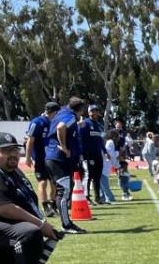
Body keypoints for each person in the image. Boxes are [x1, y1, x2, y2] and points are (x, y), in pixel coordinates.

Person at [0, 132, 60, 264]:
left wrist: (43, 223)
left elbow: (27, 200)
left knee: (33, 234)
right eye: (5, 151)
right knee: (28, 234)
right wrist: (40, 224)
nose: (12, 154)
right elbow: (5, 209)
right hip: (4, 224)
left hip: (6, 228)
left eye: (14, 150)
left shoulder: (15, 172)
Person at [44, 96, 86, 234]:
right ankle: (66, 225)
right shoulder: (71, 116)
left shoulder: (62, 112)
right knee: (64, 191)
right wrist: (64, 147)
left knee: (63, 191)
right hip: (58, 158)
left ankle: (67, 222)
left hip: (54, 157)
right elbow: (61, 127)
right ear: (81, 109)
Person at [25, 100, 59, 217]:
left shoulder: (55, 123)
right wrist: (28, 157)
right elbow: (30, 140)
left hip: (52, 158)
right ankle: (45, 208)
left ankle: (53, 205)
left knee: (54, 183)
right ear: (52, 112)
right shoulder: (37, 122)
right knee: (43, 182)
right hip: (40, 158)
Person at [80, 105, 106, 203]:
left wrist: (105, 151)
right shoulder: (85, 123)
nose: (95, 113)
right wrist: (82, 153)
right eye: (93, 111)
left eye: (96, 111)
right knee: (89, 175)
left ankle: (97, 197)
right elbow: (80, 139)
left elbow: (100, 140)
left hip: (98, 154)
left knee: (97, 176)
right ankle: (86, 196)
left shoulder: (98, 125)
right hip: (88, 154)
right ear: (89, 112)